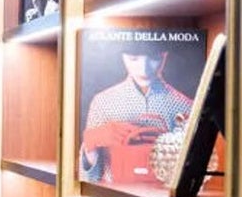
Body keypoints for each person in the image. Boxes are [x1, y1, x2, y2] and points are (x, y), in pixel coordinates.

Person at [80, 40, 194, 183]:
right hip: (114, 196)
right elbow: (90, 180)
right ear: (122, 56)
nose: (144, 70)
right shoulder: (103, 102)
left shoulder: (184, 106)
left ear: (165, 55)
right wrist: (92, 142)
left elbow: (191, 175)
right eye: (133, 59)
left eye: (154, 57)